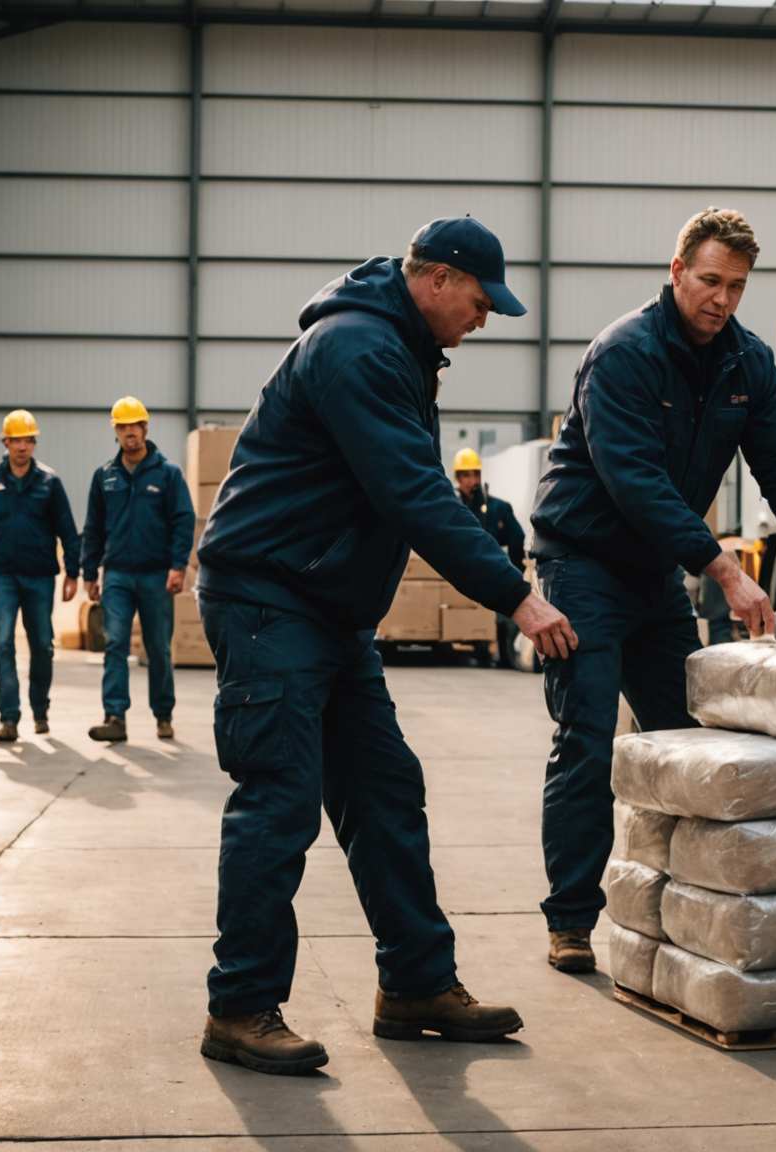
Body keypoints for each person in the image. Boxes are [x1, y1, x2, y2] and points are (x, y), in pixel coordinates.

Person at [192, 216, 579, 1076]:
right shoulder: (360, 349)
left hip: (324, 609)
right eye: (481, 302)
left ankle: (415, 984)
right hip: (270, 598)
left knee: (385, 792)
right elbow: (414, 493)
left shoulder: (397, 349)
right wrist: (518, 599)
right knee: (280, 800)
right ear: (437, 280)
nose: (484, 319)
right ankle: (241, 1006)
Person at [528, 207, 776, 973]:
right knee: (588, 741)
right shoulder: (623, 355)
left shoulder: (745, 363)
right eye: (710, 280)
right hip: (583, 566)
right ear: (677, 271)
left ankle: (687, 903)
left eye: (738, 287)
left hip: (653, 569)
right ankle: (571, 919)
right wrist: (722, 568)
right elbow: (635, 481)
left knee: (691, 739)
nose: (722, 298)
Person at [0, 409, 80, 742]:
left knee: (43, 645)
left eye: (27, 440)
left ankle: (40, 709)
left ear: (34, 443)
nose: (22, 447)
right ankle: (9, 718)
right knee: (2, 645)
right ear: (6, 442)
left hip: (40, 577)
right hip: (3, 578)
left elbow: (68, 530)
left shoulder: (50, 483)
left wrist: (73, 572)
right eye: (16, 440)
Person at [80, 397, 196, 744]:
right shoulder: (105, 476)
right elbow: (94, 527)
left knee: (157, 647)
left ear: (145, 428)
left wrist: (178, 566)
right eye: (123, 427)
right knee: (115, 643)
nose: (130, 432)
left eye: (135, 426)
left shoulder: (168, 474)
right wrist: (89, 573)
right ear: (116, 432)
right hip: (116, 574)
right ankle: (115, 716)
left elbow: (183, 520)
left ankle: (163, 715)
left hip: (156, 575)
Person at [451, 446, 528, 667]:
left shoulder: (498, 508)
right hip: (465, 574)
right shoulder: (454, 508)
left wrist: (514, 573)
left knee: (505, 620)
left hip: (493, 573)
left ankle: (505, 657)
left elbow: (517, 538)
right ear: (458, 477)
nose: (472, 480)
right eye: (466, 475)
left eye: (475, 474)